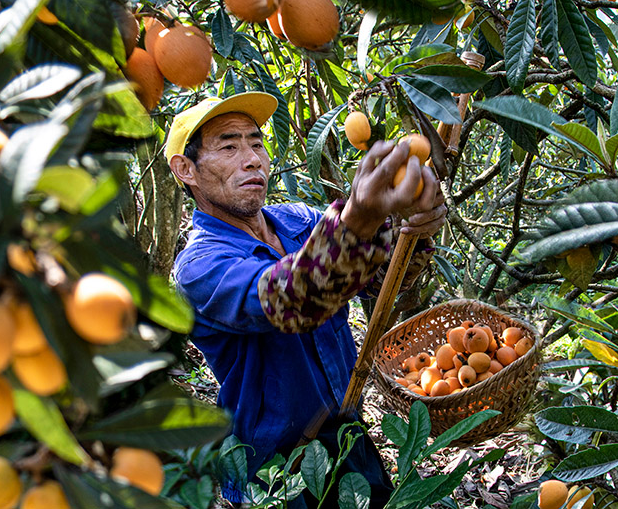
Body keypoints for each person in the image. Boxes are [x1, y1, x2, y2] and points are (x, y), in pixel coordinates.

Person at [165, 92, 446, 507]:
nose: (252, 159)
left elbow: (380, 282)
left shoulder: (299, 221)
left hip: (348, 434)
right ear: (185, 169)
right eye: (228, 146)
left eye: (256, 143)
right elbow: (289, 300)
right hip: (276, 470)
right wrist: (359, 219)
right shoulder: (199, 267)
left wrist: (412, 231)